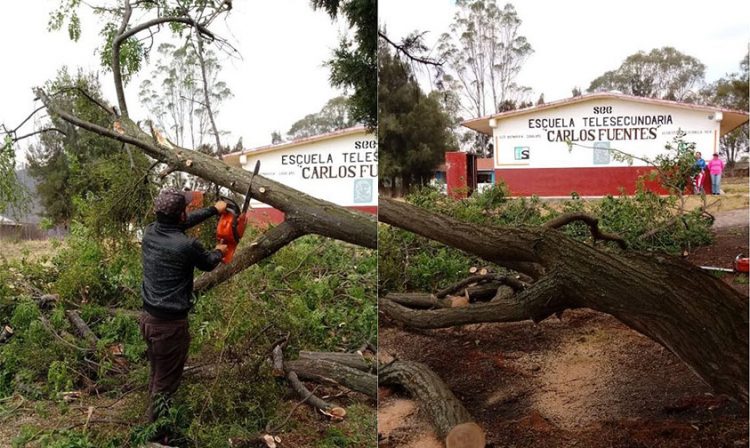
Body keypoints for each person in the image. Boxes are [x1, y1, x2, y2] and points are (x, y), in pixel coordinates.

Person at [139, 188, 227, 430]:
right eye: (185, 210)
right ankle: (157, 435)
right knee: (165, 384)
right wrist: (220, 250)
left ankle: (152, 423)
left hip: (148, 320)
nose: (187, 212)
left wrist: (212, 210)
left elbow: (179, 224)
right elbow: (209, 264)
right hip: (170, 327)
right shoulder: (187, 245)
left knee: (158, 374)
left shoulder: (149, 233)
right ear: (179, 215)